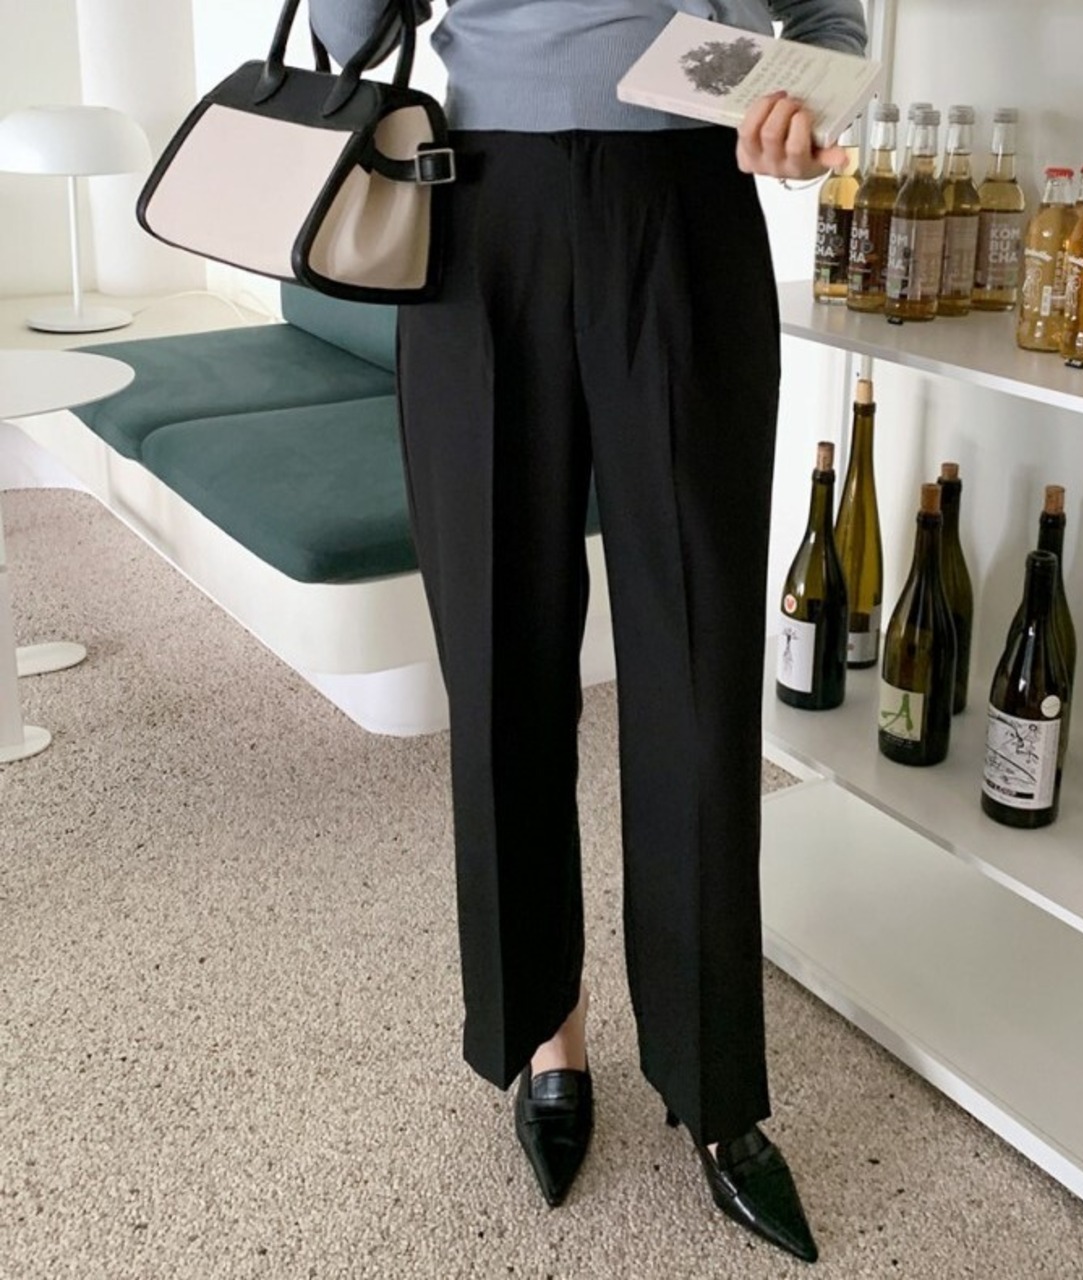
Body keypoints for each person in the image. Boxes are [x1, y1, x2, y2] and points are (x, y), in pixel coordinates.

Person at [311, 0, 869, 1263]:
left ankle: (712, 1087)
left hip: (687, 201)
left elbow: (828, 19)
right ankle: (542, 1032)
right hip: (477, 208)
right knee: (498, 656)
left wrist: (807, 103)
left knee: (697, 661)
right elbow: (347, 30)